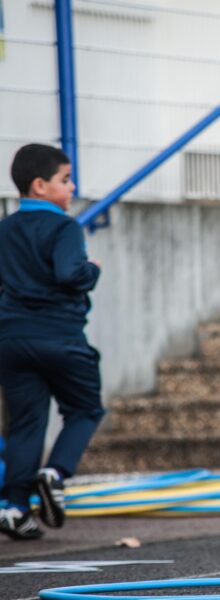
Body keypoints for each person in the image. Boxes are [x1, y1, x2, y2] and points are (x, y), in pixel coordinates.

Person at [0, 144, 104, 540]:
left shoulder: (5, 228)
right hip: (59, 336)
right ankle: (55, 472)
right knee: (84, 409)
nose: (72, 186)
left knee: (26, 423)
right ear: (40, 185)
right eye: (65, 179)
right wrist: (90, 271)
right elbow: (68, 273)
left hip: (11, 337)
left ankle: (14, 508)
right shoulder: (65, 227)